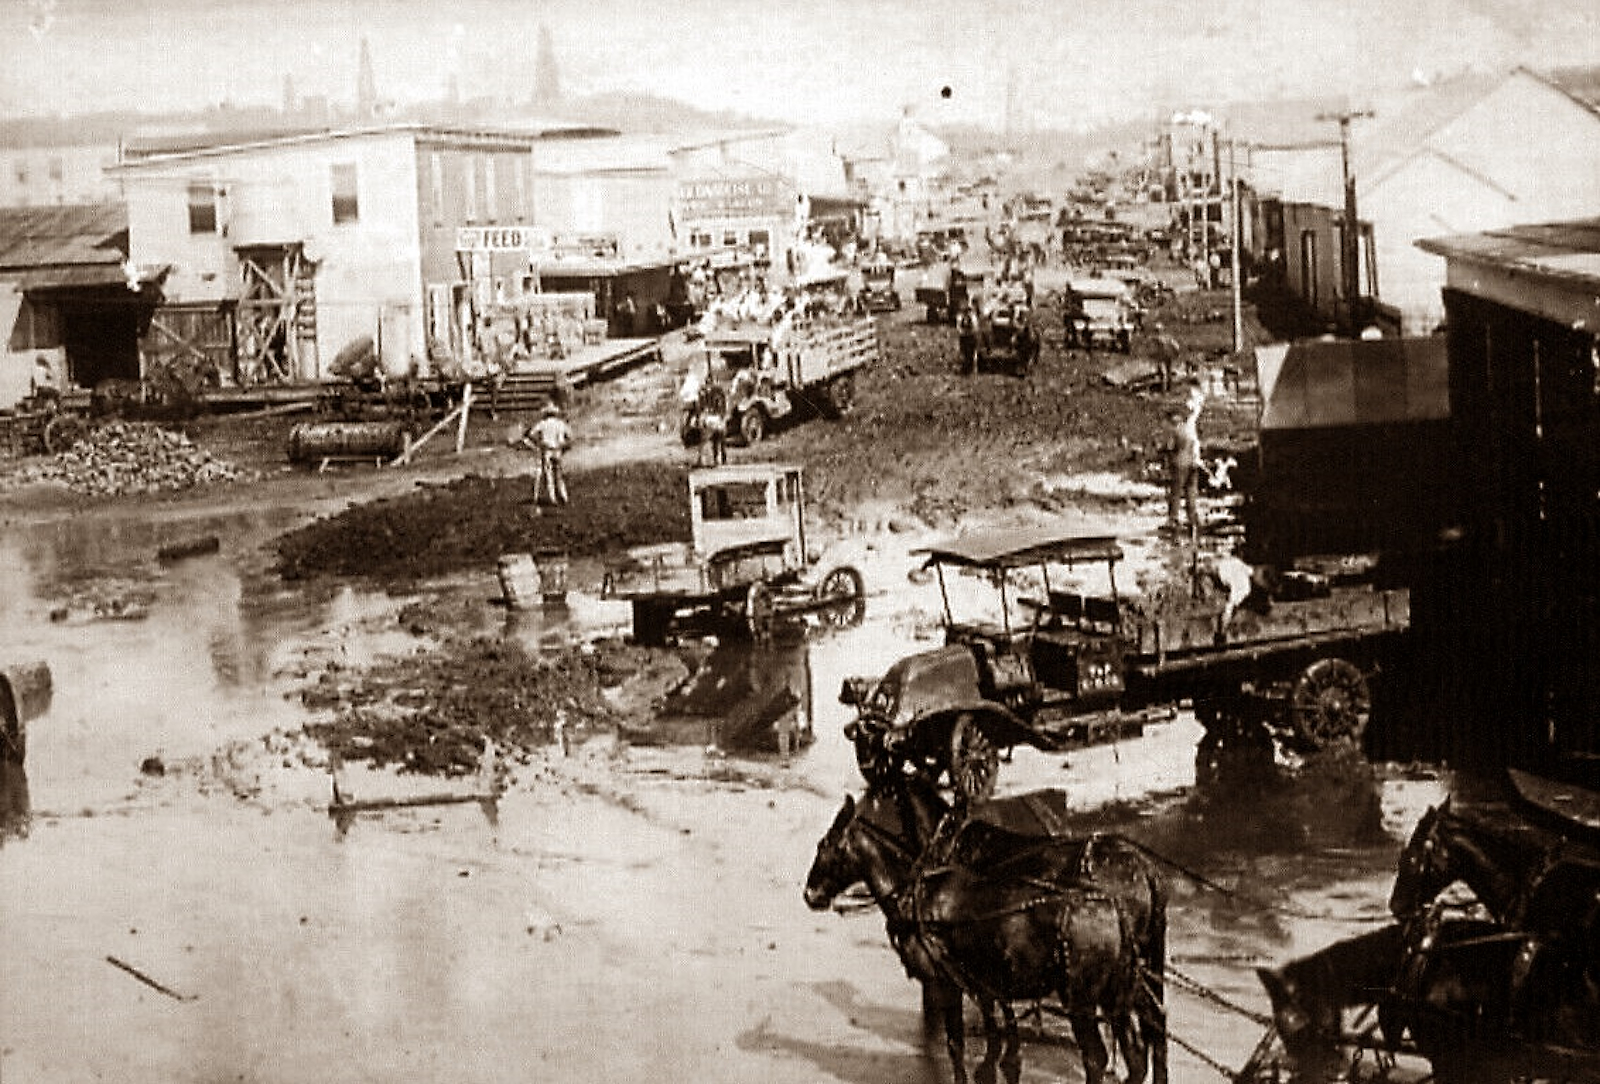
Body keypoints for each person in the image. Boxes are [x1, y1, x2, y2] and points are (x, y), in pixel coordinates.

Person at [1167, 380, 1205, 540]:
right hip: (1193, 463)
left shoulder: (1177, 430)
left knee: (1176, 492)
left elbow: (1170, 447)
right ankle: (1192, 518)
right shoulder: (1191, 428)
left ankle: (1174, 519)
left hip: (1179, 464)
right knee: (1191, 492)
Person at [526, 402, 572, 506]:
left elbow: (530, 434)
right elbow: (570, 436)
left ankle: (553, 498)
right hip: (557, 450)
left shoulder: (543, 423)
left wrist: (539, 443)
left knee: (549, 475)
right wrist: (564, 446)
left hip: (547, 450)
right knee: (559, 475)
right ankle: (564, 496)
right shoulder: (560, 423)